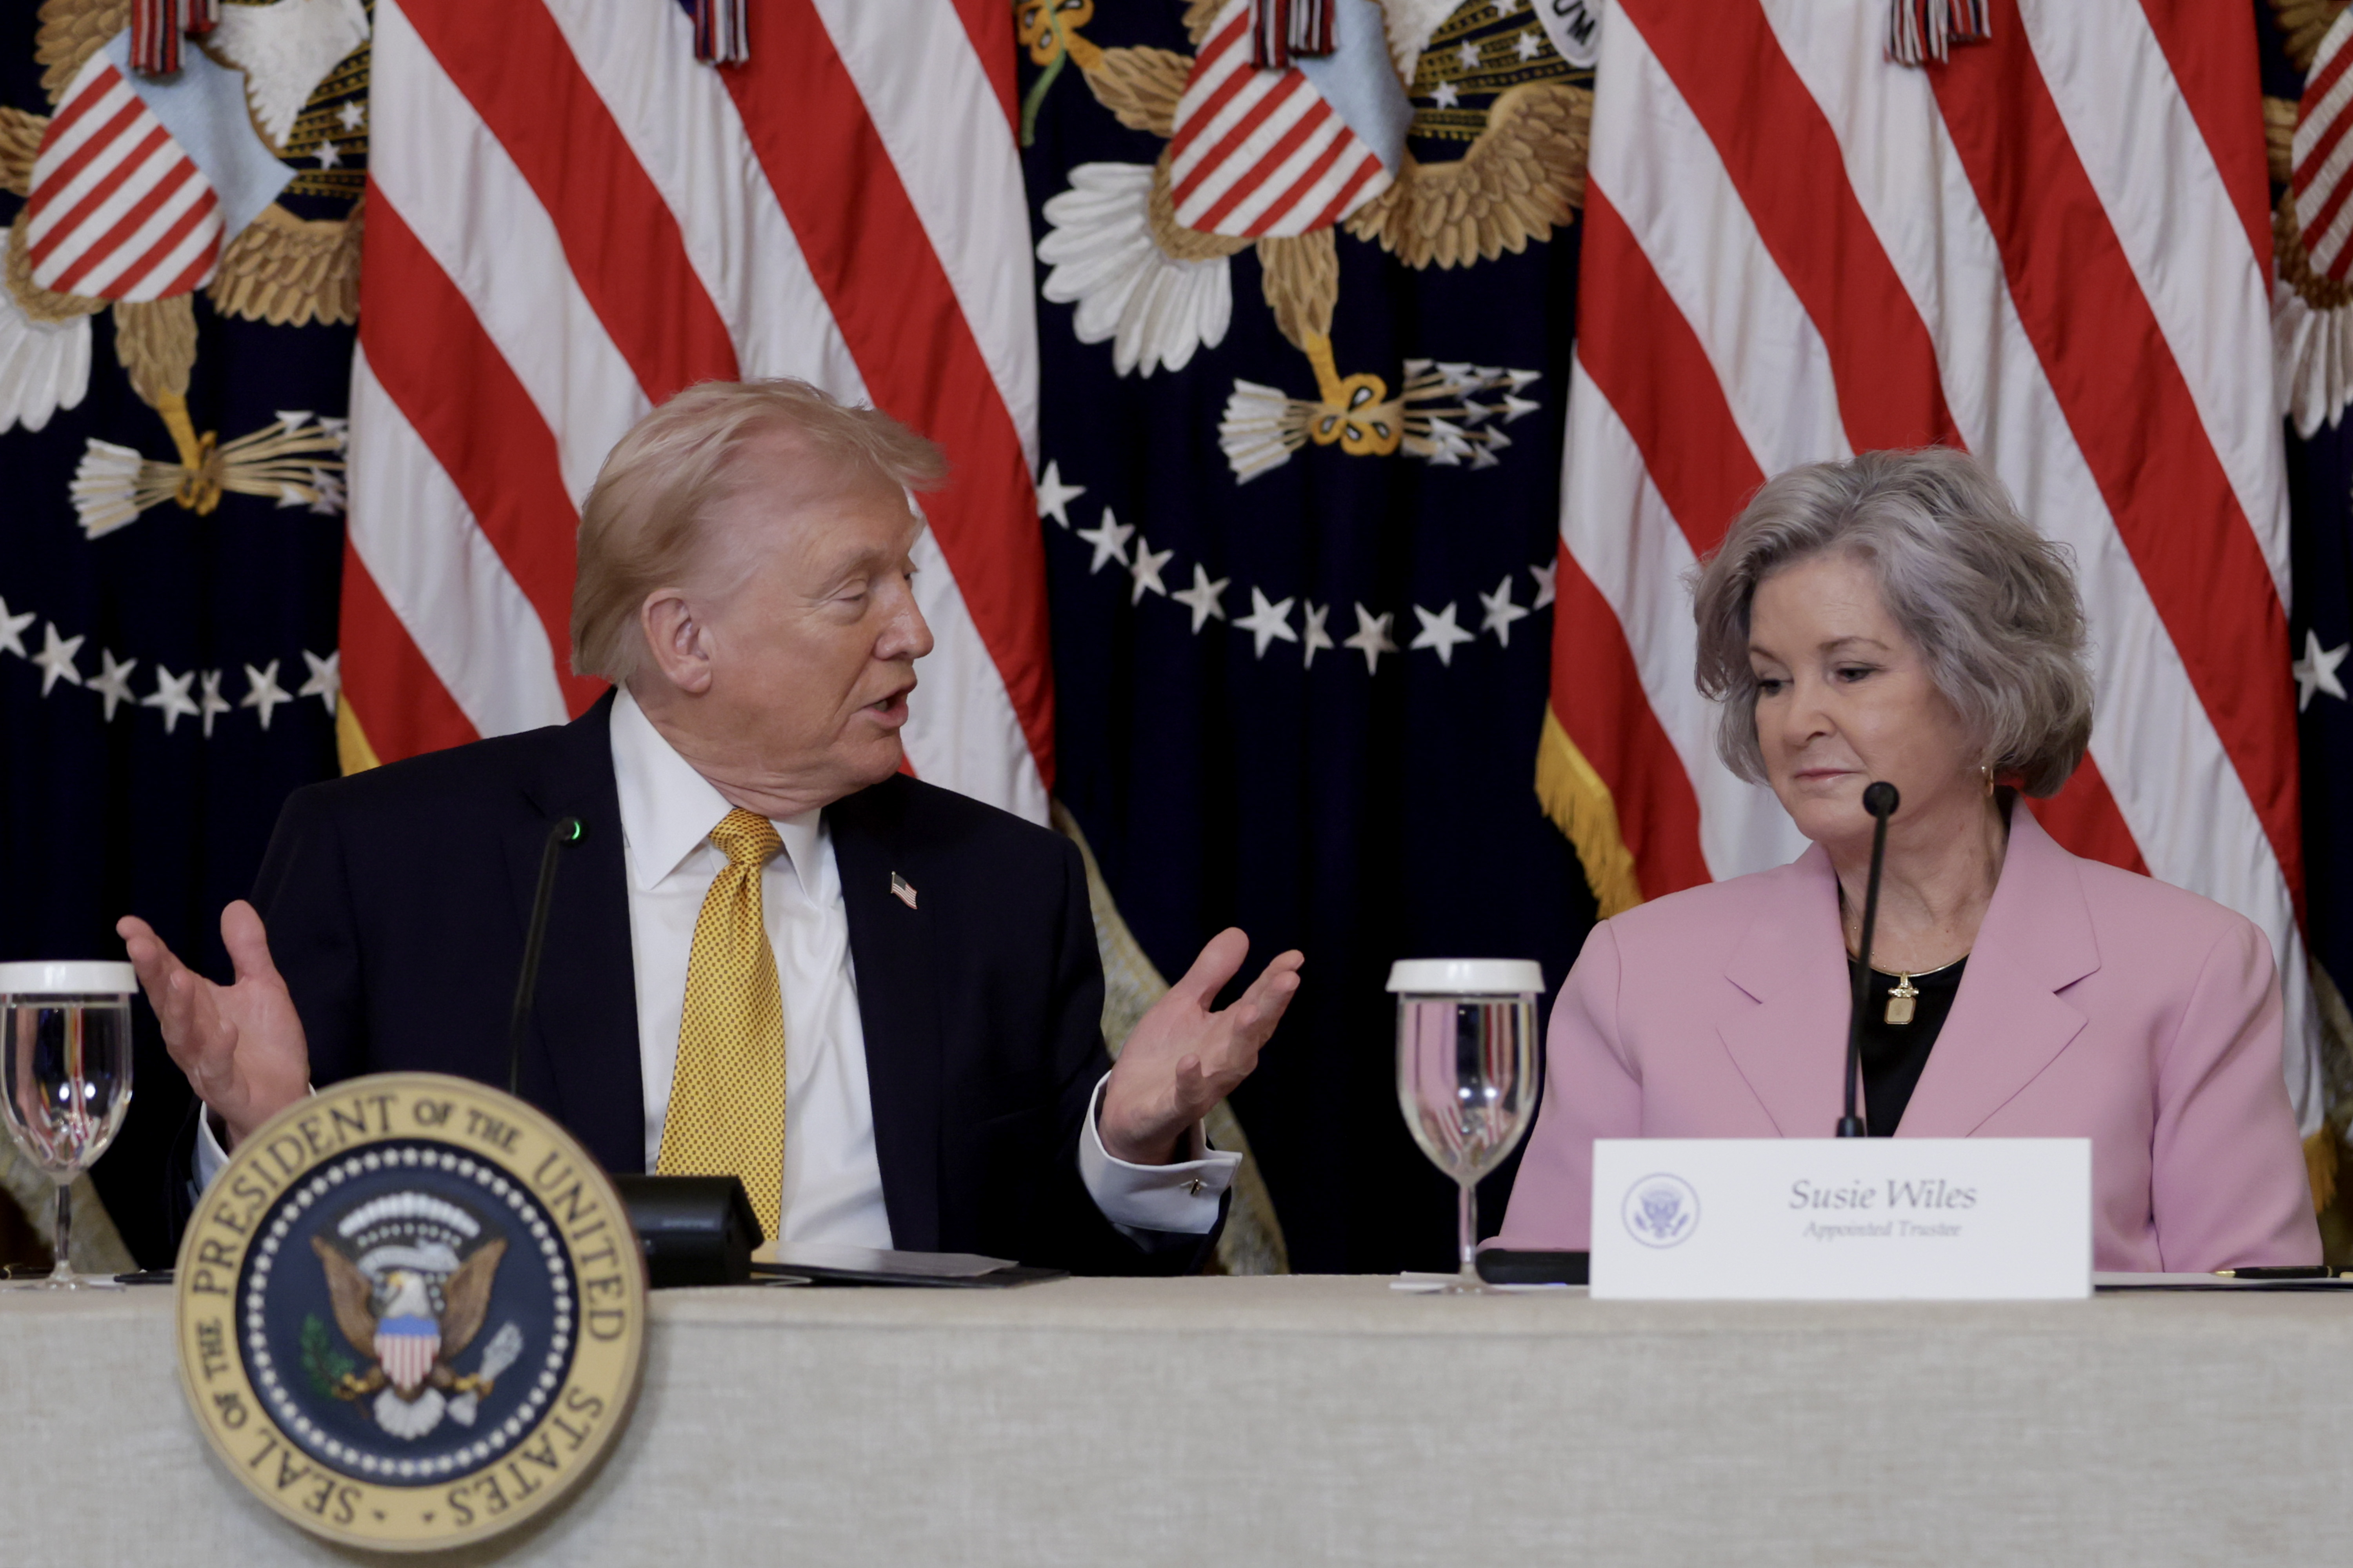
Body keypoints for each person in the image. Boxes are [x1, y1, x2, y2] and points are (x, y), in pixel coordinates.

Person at [117, 379, 1303, 1274]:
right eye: (859, 592)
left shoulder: (998, 886)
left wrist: (1130, 1144)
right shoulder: (391, 863)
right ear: (685, 641)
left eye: (908, 580)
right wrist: (259, 1136)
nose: (915, 633)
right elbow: (250, 1292)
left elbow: (1059, 1290)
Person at [1495, 448, 2318, 1273]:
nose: (1796, 720)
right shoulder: (1638, 971)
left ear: (1985, 684)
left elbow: (2253, 1334)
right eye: (1773, 682)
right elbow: (1542, 1307)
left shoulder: (2192, 968)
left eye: (1851, 671)